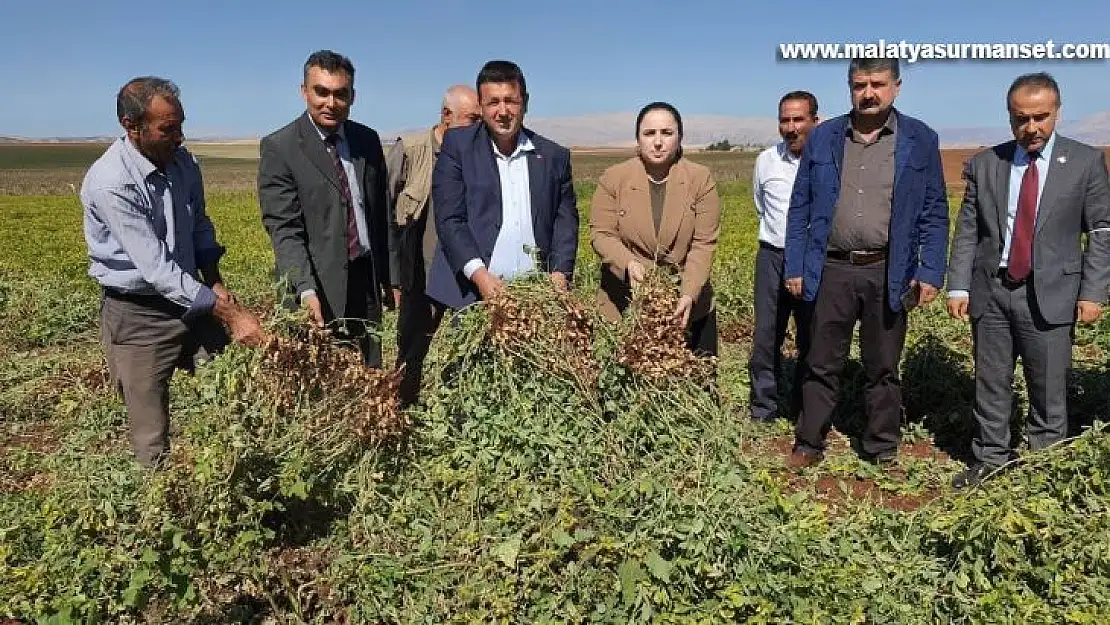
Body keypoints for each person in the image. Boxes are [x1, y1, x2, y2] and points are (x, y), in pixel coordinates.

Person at [81, 76, 263, 466]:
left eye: (180, 125)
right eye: (168, 129)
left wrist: (214, 280)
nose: (179, 137)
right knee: (151, 433)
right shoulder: (111, 183)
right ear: (132, 128)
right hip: (138, 314)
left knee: (231, 396)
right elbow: (157, 269)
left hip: (192, 301)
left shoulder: (184, 162)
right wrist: (231, 314)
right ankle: (160, 509)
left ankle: (236, 481)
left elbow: (199, 225)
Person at [946, 72, 1110, 488]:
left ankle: (1044, 469)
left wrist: (1093, 292)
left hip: (1052, 292)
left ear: (1057, 113)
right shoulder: (987, 164)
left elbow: (1102, 231)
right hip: (993, 292)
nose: (1031, 128)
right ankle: (990, 460)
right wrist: (959, 284)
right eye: (1021, 118)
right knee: (991, 383)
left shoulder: (1085, 162)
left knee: (1049, 387)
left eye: (1041, 117)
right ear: (1009, 117)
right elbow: (969, 230)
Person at [784, 58, 949, 466]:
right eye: (860, 85)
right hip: (832, 267)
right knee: (821, 361)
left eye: (877, 83)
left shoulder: (920, 138)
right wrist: (796, 265)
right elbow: (799, 206)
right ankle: (809, 442)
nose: (868, 93)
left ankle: (881, 448)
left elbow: (934, 210)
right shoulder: (824, 137)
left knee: (883, 366)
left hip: (888, 270)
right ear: (849, 87)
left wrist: (929, 271)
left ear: (896, 87)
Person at [258, 50, 391, 366]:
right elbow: (284, 230)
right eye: (322, 92)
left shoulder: (367, 140)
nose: (331, 103)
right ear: (304, 91)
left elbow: (381, 214)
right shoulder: (281, 147)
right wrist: (304, 289)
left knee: (369, 373)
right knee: (322, 379)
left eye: (340, 94)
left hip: (365, 281)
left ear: (352, 96)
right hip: (317, 286)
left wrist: (391, 278)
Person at [425, 60, 578, 310]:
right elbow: (450, 219)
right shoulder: (459, 147)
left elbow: (565, 221)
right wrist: (480, 275)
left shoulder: (553, 156)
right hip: (473, 295)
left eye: (511, 101)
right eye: (493, 102)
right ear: (481, 106)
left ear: (525, 102)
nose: (503, 111)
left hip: (537, 296)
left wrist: (560, 274)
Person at [590, 101, 721, 356]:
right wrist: (628, 263)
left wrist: (689, 293)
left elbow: (703, 244)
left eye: (667, 133)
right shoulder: (614, 178)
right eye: (649, 133)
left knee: (693, 386)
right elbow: (601, 234)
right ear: (638, 139)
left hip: (686, 305)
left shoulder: (700, 178)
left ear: (680, 137)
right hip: (625, 301)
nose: (658, 142)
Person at [385, 85, 481, 406]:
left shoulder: (478, 156)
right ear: (446, 116)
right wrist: (392, 276)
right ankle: (400, 410)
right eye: (471, 119)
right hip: (418, 274)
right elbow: (383, 213)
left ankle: (456, 416)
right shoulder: (411, 150)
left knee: (464, 350)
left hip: (461, 273)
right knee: (411, 348)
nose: (478, 126)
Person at [749, 91, 818, 421]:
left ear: (815, 121)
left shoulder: (829, 161)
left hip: (814, 261)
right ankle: (764, 406)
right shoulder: (766, 160)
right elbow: (760, 206)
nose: (791, 127)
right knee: (765, 336)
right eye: (785, 120)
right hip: (772, 258)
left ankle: (805, 406)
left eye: (798, 119)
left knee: (812, 335)